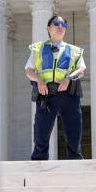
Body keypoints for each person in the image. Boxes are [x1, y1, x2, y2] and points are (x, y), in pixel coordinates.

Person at [25, 15, 86, 160]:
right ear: (48, 27)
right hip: (46, 93)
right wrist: (39, 80)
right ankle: (39, 161)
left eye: (63, 25)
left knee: (73, 129)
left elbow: (81, 69)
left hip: (69, 93)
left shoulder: (74, 50)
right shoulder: (38, 49)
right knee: (41, 130)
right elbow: (29, 70)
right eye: (56, 23)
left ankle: (75, 160)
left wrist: (68, 78)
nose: (60, 27)